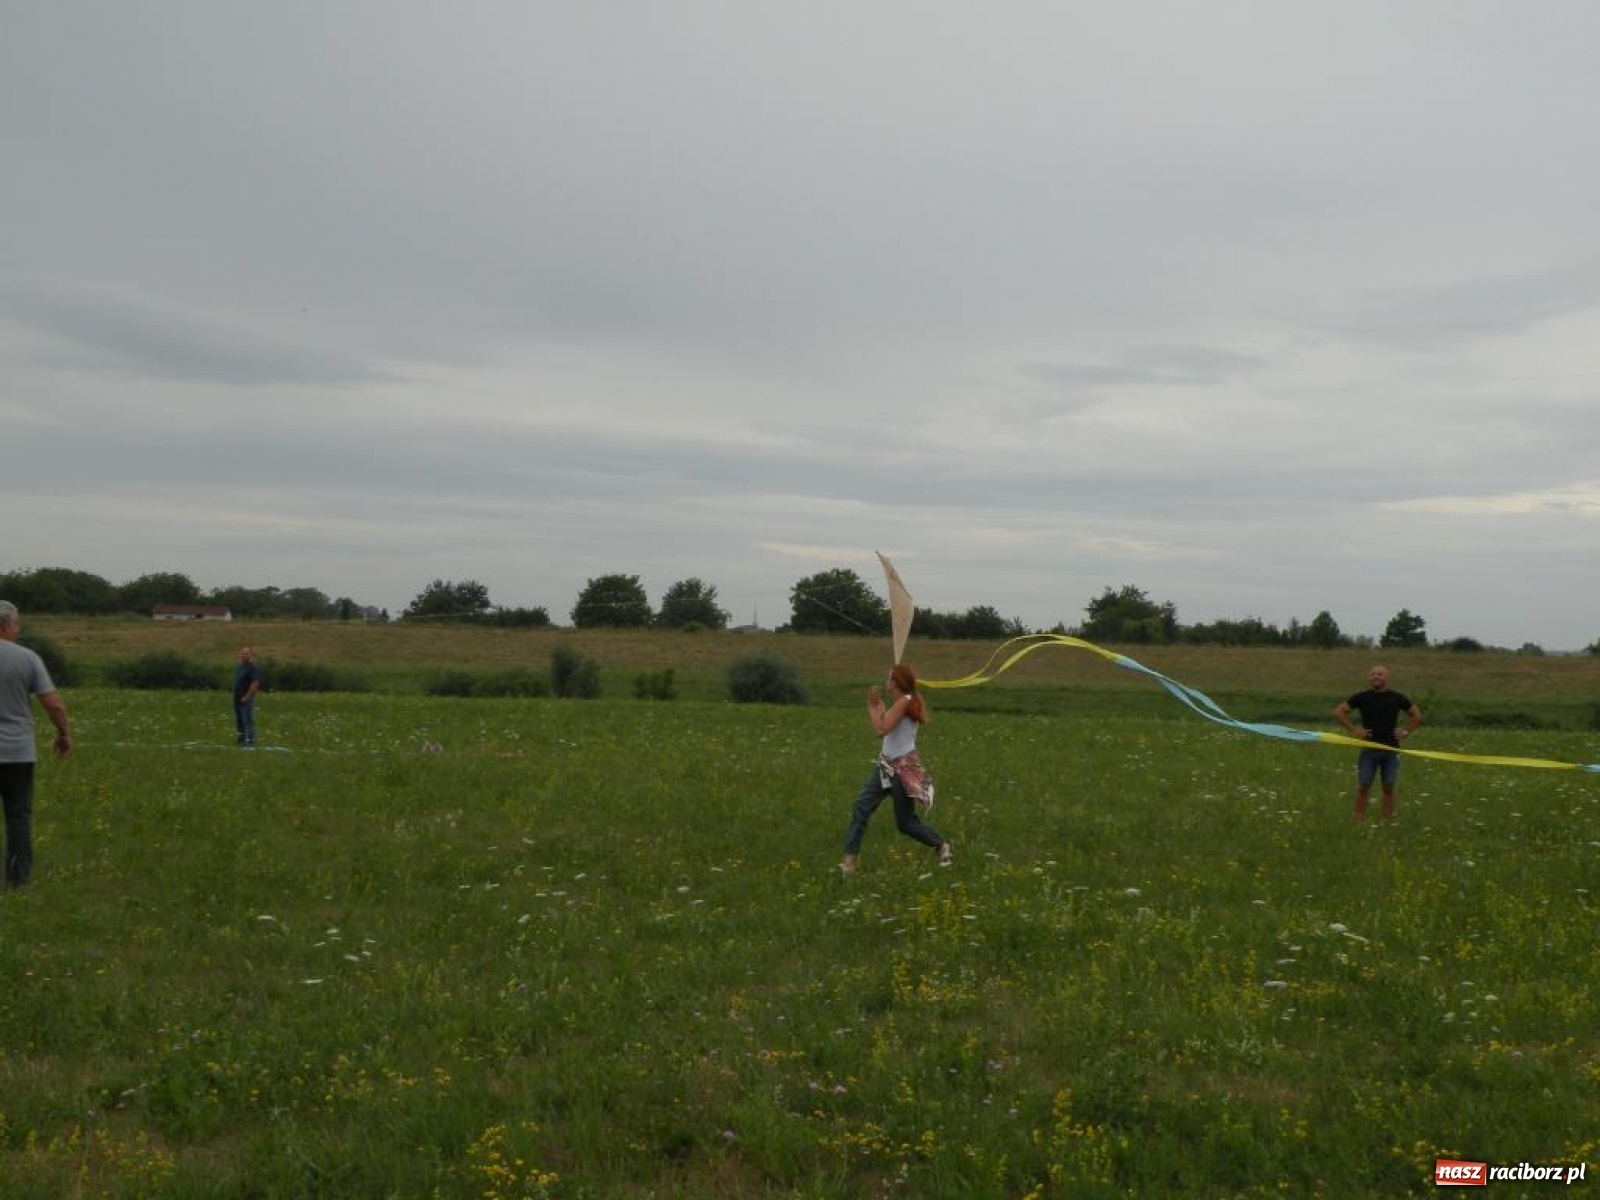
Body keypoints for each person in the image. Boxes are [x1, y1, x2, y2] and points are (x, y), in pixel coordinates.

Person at [840, 663, 952, 872]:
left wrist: (871, 707)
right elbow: (888, 726)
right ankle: (849, 859)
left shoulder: (906, 702)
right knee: (861, 807)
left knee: (905, 823)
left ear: (896, 682)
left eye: (889, 677)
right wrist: (881, 711)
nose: (886, 681)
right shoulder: (902, 703)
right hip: (886, 766)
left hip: (901, 770)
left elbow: (881, 730)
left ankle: (940, 845)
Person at [0, 601, 72, 888]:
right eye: (17, 625)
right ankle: (17, 879)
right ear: (6, 625)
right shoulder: (27, 658)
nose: (18, 630)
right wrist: (64, 733)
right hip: (16, 752)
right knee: (17, 817)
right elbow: (53, 703)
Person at [1334, 664, 1421, 824]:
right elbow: (1339, 712)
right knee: (1364, 784)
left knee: (1388, 786)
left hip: (1391, 749)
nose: (1376, 677)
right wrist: (1354, 730)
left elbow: (1416, 715)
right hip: (1369, 749)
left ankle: (1387, 820)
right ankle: (1358, 820)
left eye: (1380, 674)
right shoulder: (1362, 697)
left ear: (1386, 677)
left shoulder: (1397, 697)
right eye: (1373, 674)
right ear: (1369, 678)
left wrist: (1405, 731)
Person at [232, 647, 262, 747]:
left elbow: (255, 683)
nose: (245, 655)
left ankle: (250, 741)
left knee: (247, 720)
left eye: (247, 654)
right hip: (237, 698)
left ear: (250, 655)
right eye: (243, 654)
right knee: (239, 720)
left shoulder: (252, 668)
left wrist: (247, 697)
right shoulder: (240, 667)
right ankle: (241, 740)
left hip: (246, 699)